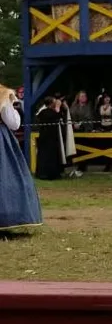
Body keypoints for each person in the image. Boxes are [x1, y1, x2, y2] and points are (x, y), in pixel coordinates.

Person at [0, 84, 42, 231]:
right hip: (1, 141)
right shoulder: (3, 94)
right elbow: (14, 123)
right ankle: (6, 217)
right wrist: (11, 104)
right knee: (6, 177)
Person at [36, 97, 65, 181]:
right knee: (47, 156)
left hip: (51, 137)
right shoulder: (45, 112)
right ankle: (45, 174)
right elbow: (56, 116)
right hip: (47, 137)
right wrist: (58, 107)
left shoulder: (47, 112)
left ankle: (52, 173)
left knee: (51, 155)